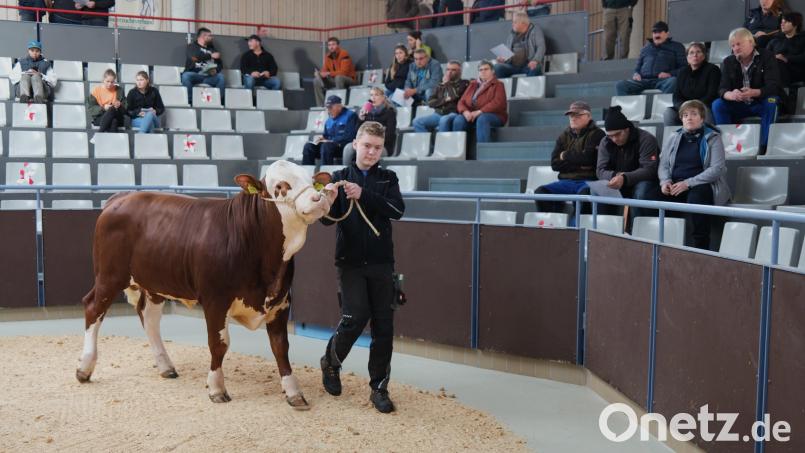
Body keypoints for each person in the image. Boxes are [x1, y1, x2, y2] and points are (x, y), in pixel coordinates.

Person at [319, 121, 406, 414]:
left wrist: (364, 194)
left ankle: (379, 388)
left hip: (382, 263)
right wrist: (327, 202)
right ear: (355, 144)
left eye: (377, 148)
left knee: (384, 326)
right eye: (367, 145)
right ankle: (331, 363)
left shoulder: (388, 178)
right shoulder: (338, 178)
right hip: (350, 262)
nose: (371, 152)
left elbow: (398, 210)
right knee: (354, 317)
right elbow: (326, 221)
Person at [659, 100, 730, 250]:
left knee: (697, 197)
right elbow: (663, 164)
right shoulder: (674, 137)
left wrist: (688, 183)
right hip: (676, 185)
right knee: (649, 194)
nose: (689, 118)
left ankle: (701, 248)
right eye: (685, 115)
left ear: (702, 118)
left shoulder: (713, 137)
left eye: (693, 114)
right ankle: (664, 244)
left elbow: (717, 169)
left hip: (701, 184)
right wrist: (665, 182)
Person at [712, 28, 781, 154]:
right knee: (718, 104)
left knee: (772, 101)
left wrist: (754, 92)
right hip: (739, 104)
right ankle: (727, 146)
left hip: (761, 102)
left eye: (739, 44)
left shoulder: (767, 56)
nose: (736, 48)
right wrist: (730, 95)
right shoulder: (728, 61)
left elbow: (773, 86)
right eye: (733, 46)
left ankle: (763, 147)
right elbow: (722, 89)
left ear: (751, 42)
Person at [534, 101, 605, 214]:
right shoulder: (563, 136)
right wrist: (580, 164)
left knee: (584, 195)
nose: (573, 118)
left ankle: (578, 223)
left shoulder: (598, 134)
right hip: (566, 181)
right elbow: (555, 164)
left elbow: (589, 159)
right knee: (540, 192)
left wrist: (565, 155)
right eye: (571, 116)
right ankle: (554, 221)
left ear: (588, 116)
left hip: (588, 181)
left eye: (578, 115)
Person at [595, 105, 659, 219]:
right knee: (596, 191)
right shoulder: (605, 142)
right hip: (617, 180)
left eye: (617, 134)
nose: (614, 139)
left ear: (627, 129)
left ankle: (638, 227)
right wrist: (615, 176)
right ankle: (604, 227)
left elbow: (649, 170)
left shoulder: (646, 139)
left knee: (641, 192)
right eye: (610, 136)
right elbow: (600, 170)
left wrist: (624, 178)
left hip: (641, 181)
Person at [615, 21, 686, 96]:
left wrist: (670, 74)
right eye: (654, 32)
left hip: (663, 80)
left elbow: (684, 68)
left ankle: (662, 103)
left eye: (660, 32)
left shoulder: (677, 47)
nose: (657, 35)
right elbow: (638, 68)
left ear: (667, 33)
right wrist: (636, 74)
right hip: (644, 80)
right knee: (621, 85)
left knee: (673, 81)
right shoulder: (645, 48)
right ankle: (630, 104)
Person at [663, 42, 721, 126]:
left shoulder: (713, 69)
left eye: (698, 52)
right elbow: (676, 96)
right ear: (687, 57)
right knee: (668, 112)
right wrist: (684, 107)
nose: (695, 55)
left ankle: (708, 134)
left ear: (704, 56)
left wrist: (695, 106)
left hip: (703, 106)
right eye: (691, 52)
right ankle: (673, 135)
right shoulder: (682, 72)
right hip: (685, 108)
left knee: (704, 111)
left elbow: (712, 94)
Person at [453, 61, 507, 143]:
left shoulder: (498, 84)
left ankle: (483, 149)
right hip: (472, 115)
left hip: (494, 115)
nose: (483, 71)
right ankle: (458, 148)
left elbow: (498, 103)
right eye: (480, 70)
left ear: (492, 71)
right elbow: (461, 102)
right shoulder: (472, 84)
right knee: (459, 119)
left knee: (483, 118)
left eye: (486, 69)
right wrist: (465, 112)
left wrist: (479, 112)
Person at [343, 87, 397, 164]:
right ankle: (348, 171)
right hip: (365, 143)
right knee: (348, 148)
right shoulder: (366, 112)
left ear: (383, 97)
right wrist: (360, 119)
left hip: (382, 146)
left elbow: (390, 135)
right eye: (371, 95)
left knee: (367, 151)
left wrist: (371, 141)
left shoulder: (390, 112)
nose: (373, 98)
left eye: (376, 95)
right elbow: (357, 133)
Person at [412, 60, 469, 132]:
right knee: (417, 121)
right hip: (438, 114)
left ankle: (442, 139)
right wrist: (445, 100)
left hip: (453, 113)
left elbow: (455, 96)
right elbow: (430, 102)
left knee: (444, 120)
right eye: (448, 69)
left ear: (460, 72)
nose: (449, 72)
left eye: (453, 70)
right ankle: (427, 140)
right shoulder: (440, 85)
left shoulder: (463, 83)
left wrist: (448, 83)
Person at [302, 95, 358, 165]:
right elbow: (326, 136)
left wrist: (331, 141)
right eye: (327, 107)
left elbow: (349, 137)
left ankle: (326, 171)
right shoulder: (329, 120)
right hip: (328, 147)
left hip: (343, 147)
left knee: (326, 146)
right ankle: (306, 171)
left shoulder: (351, 116)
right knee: (308, 146)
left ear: (339, 106)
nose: (328, 110)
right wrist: (321, 139)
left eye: (330, 107)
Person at [493, 11, 546, 78]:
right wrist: (502, 58)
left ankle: (529, 85)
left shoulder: (535, 30)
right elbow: (507, 52)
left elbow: (541, 47)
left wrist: (535, 60)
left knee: (535, 68)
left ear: (523, 23)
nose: (512, 24)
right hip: (512, 66)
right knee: (497, 67)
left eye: (515, 22)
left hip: (528, 65)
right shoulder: (512, 34)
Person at [181, 27, 226, 105]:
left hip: (209, 76)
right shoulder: (192, 46)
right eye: (210, 36)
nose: (212, 38)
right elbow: (193, 58)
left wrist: (216, 70)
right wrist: (210, 56)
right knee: (185, 76)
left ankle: (219, 102)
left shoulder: (212, 49)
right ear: (203, 36)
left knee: (220, 77)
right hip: (195, 75)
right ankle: (190, 101)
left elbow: (220, 64)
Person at [313, 37, 358, 107]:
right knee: (316, 80)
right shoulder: (327, 56)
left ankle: (340, 105)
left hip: (349, 79)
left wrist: (329, 73)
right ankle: (321, 106)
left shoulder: (344, 54)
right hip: (335, 79)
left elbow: (344, 72)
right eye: (329, 45)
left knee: (339, 77)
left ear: (338, 45)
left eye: (333, 44)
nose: (331, 47)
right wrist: (319, 74)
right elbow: (324, 70)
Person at [767, 12, 805, 95]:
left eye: (786, 22)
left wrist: (786, 58)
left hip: (796, 71)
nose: (782, 24)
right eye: (782, 22)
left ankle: (782, 96)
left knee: (778, 63)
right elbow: (765, 56)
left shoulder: (803, 39)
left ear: (795, 24)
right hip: (775, 72)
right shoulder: (775, 40)